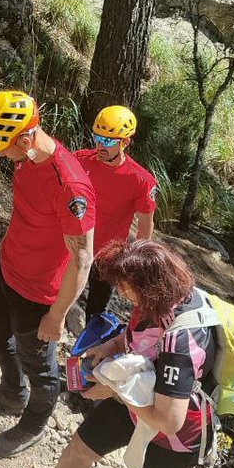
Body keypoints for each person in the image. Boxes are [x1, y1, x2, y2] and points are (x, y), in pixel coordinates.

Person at [2, 239, 218, 468]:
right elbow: (136, 338)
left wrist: (114, 389)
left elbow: (169, 419)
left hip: (179, 432)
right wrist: (110, 347)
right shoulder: (156, 300)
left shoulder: (183, 340)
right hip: (135, 399)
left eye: (125, 287)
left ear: (149, 285)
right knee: (81, 446)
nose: (121, 292)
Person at [0, 90, 95, 458]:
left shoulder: (69, 186)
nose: (2, 157)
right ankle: (11, 392)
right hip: (8, 268)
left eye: (3, 148)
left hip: (40, 293)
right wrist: (7, 241)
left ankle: (34, 423)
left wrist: (57, 316)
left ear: (25, 139)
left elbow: (83, 258)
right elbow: (26, 209)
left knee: (39, 366)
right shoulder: (27, 158)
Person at [75, 105, 157, 319]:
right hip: (73, 245)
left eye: (109, 141)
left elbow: (145, 224)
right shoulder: (80, 160)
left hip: (107, 255)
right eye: (97, 138)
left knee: (96, 310)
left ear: (125, 142)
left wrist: (137, 261)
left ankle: (90, 350)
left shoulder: (140, 180)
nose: (101, 145)